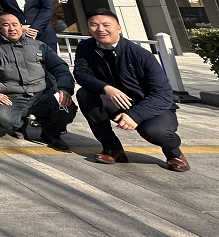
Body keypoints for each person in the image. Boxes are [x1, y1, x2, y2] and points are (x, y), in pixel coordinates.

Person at [75, 9, 188, 171]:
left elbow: (162, 94)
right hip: (118, 101)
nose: (100, 29)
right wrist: (106, 88)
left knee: (153, 131)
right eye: (94, 25)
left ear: (119, 28)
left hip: (151, 105)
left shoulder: (140, 54)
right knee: (85, 94)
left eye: (106, 25)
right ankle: (113, 149)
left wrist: (135, 115)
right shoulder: (86, 47)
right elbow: (81, 74)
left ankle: (174, 153)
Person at [0, 13, 77, 151]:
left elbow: (60, 67)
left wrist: (64, 89)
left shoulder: (39, 45)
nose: (12, 28)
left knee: (67, 108)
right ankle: (19, 125)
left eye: (15, 24)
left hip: (42, 93)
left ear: (21, 26)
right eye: (6, 25)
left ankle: (51, 131)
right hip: (12, 95)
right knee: (4, 119)